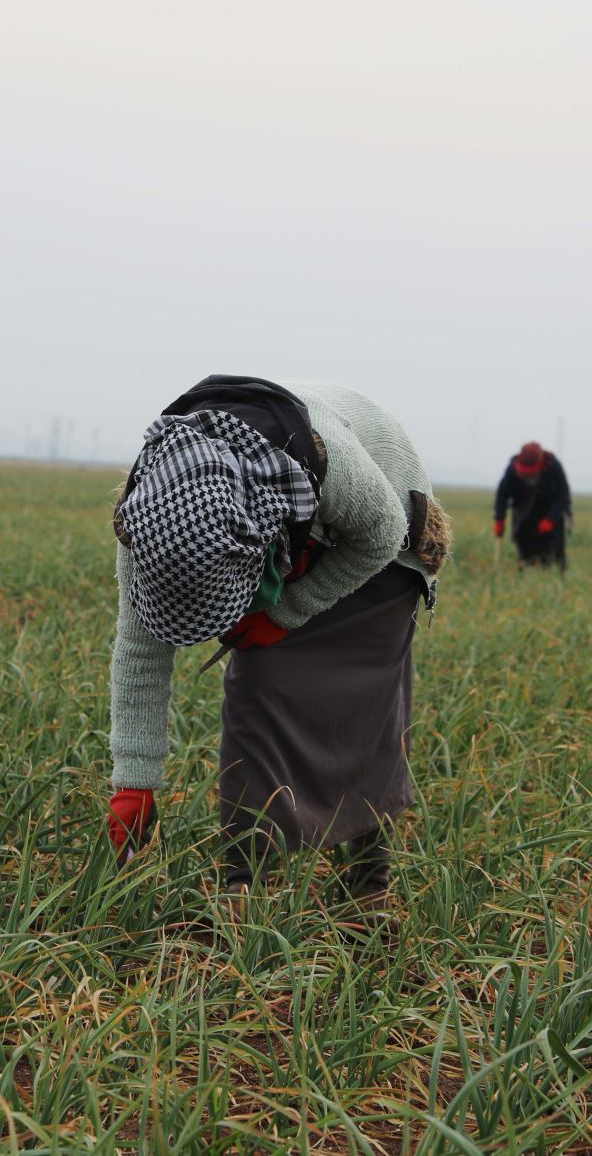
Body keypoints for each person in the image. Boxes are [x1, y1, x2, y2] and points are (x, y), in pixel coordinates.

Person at [106, 375, 450, 913]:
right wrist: (135, 780)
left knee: (364, 708)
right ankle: (244, 885)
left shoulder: (322, 462)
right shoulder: (150, 516)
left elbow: (379, 534)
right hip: (302, 532)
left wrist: (285, 612)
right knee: (258, 692)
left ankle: (369, 885)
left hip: (385, 530)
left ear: (250, 550)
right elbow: (140, 650)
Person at [493, 441, 572, 570]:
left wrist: (550, 519)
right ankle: (524, 571)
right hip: (523, 512)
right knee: (524, 545)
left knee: (554, 550)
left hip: (550, 511)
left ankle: (557, 576)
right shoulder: (512, 468)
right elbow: (502, 494)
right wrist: (499, 519)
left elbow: (563, 496)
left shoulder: (553, 466)